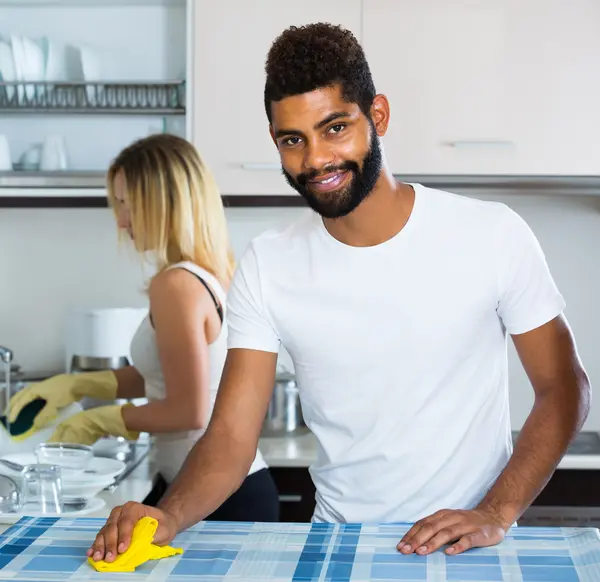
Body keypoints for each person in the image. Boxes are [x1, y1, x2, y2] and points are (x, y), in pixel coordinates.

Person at [88, 24, 590, 560]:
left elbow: (564, 388)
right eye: (292, 139)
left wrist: (497, 511)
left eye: (334, 128)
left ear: (378, 116)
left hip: (465, 548)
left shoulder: (491, 233)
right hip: (336, 543)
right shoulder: (268, 264)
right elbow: (232, 436)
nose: (315, 160)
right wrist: (170, 513)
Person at [7, 133, 279, 521]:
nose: (120, 219)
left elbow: (188, 411)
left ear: (162, 203)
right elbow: (166, 376)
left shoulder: (176, 285)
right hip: (216, 487)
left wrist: (99, 420)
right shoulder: (208, 274)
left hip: (218, 499)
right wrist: (78, 385)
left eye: (126, 204)